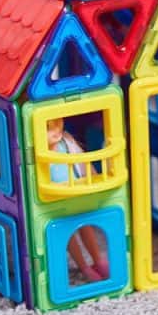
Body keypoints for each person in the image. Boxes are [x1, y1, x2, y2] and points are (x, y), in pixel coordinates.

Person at [45, 118, 110, 282]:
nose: (56, 129)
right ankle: (84, 267)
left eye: (58, 121)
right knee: (68, 232)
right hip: (55, 199)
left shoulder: (66, 142)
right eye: (47, 127)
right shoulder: (36, 152)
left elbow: (83, 163)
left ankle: (98, 259)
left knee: (85, 225)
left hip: (76, 193)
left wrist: (95, 178)